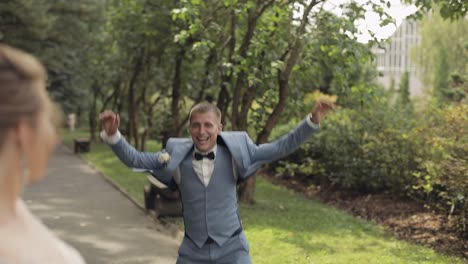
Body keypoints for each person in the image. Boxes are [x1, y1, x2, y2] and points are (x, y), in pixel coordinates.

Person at [100, 101, 333, 263]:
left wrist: (312, 121)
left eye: (208, 125)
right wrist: (113, 135)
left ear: (219, 129)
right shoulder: (175, 158)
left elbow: (280, 147)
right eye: (196, 125)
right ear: (189, 128)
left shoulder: (236, 154)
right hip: (193, 251)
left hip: (232, 249)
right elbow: (136, 159)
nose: (202, 131)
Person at [0, 44, 85, 263]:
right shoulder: (48, 257)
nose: (53, 134)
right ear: (24, 132)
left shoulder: (13, 209)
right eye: (47, 117)